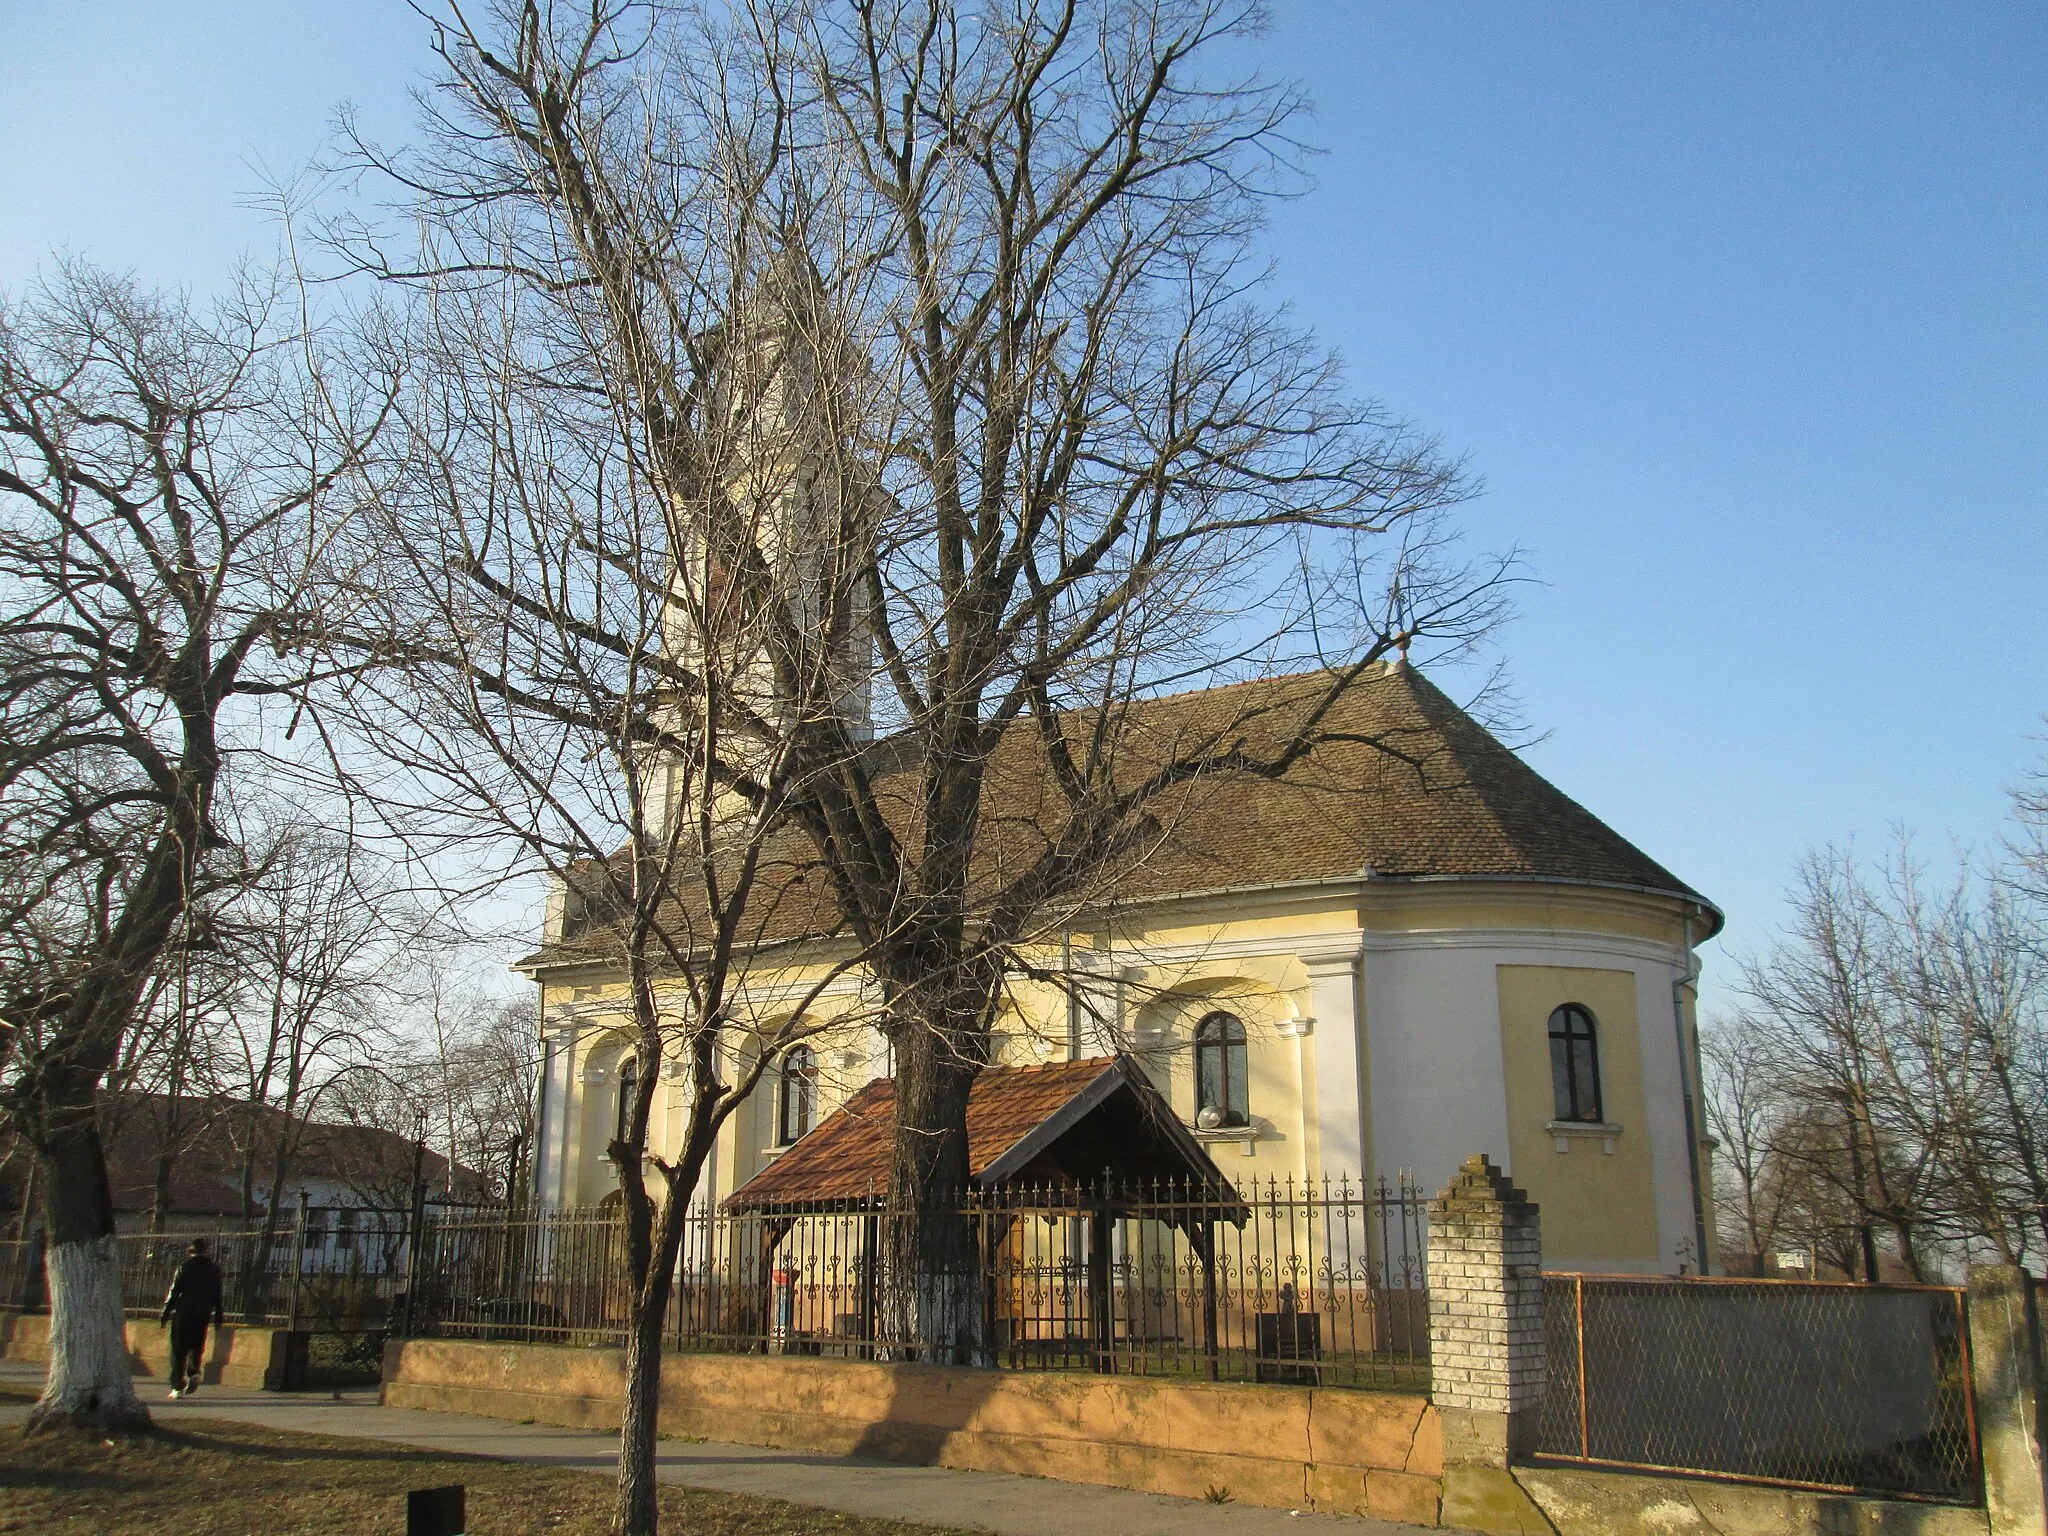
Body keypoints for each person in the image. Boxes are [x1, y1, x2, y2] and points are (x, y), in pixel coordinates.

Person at [160, 1238, 225, 1398]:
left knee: (178, 1350)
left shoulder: (184, 1267)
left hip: (184, 1313)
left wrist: (165, 1312)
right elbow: (217, 1295)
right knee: (197, 1346)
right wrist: (218, 1316)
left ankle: (177, 1386)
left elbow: (174, 1291)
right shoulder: (214, 1270)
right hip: (203, 1314)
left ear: (190, 1251)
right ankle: (194, 1371)